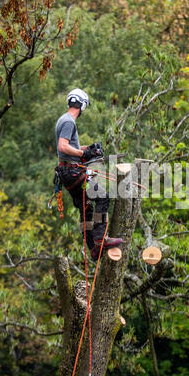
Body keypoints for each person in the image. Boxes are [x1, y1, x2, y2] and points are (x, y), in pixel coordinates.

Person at [55, 88, 123, 260]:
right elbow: (62, 147)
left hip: (67, 172)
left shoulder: (63, 120)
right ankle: (101, 239)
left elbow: (69, 148)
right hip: (72, 172)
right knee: (102, 197)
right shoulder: (69, 121)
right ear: (82, 105)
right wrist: (83, 154)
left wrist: (88, 149)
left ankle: (93, 248)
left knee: (85, 208)